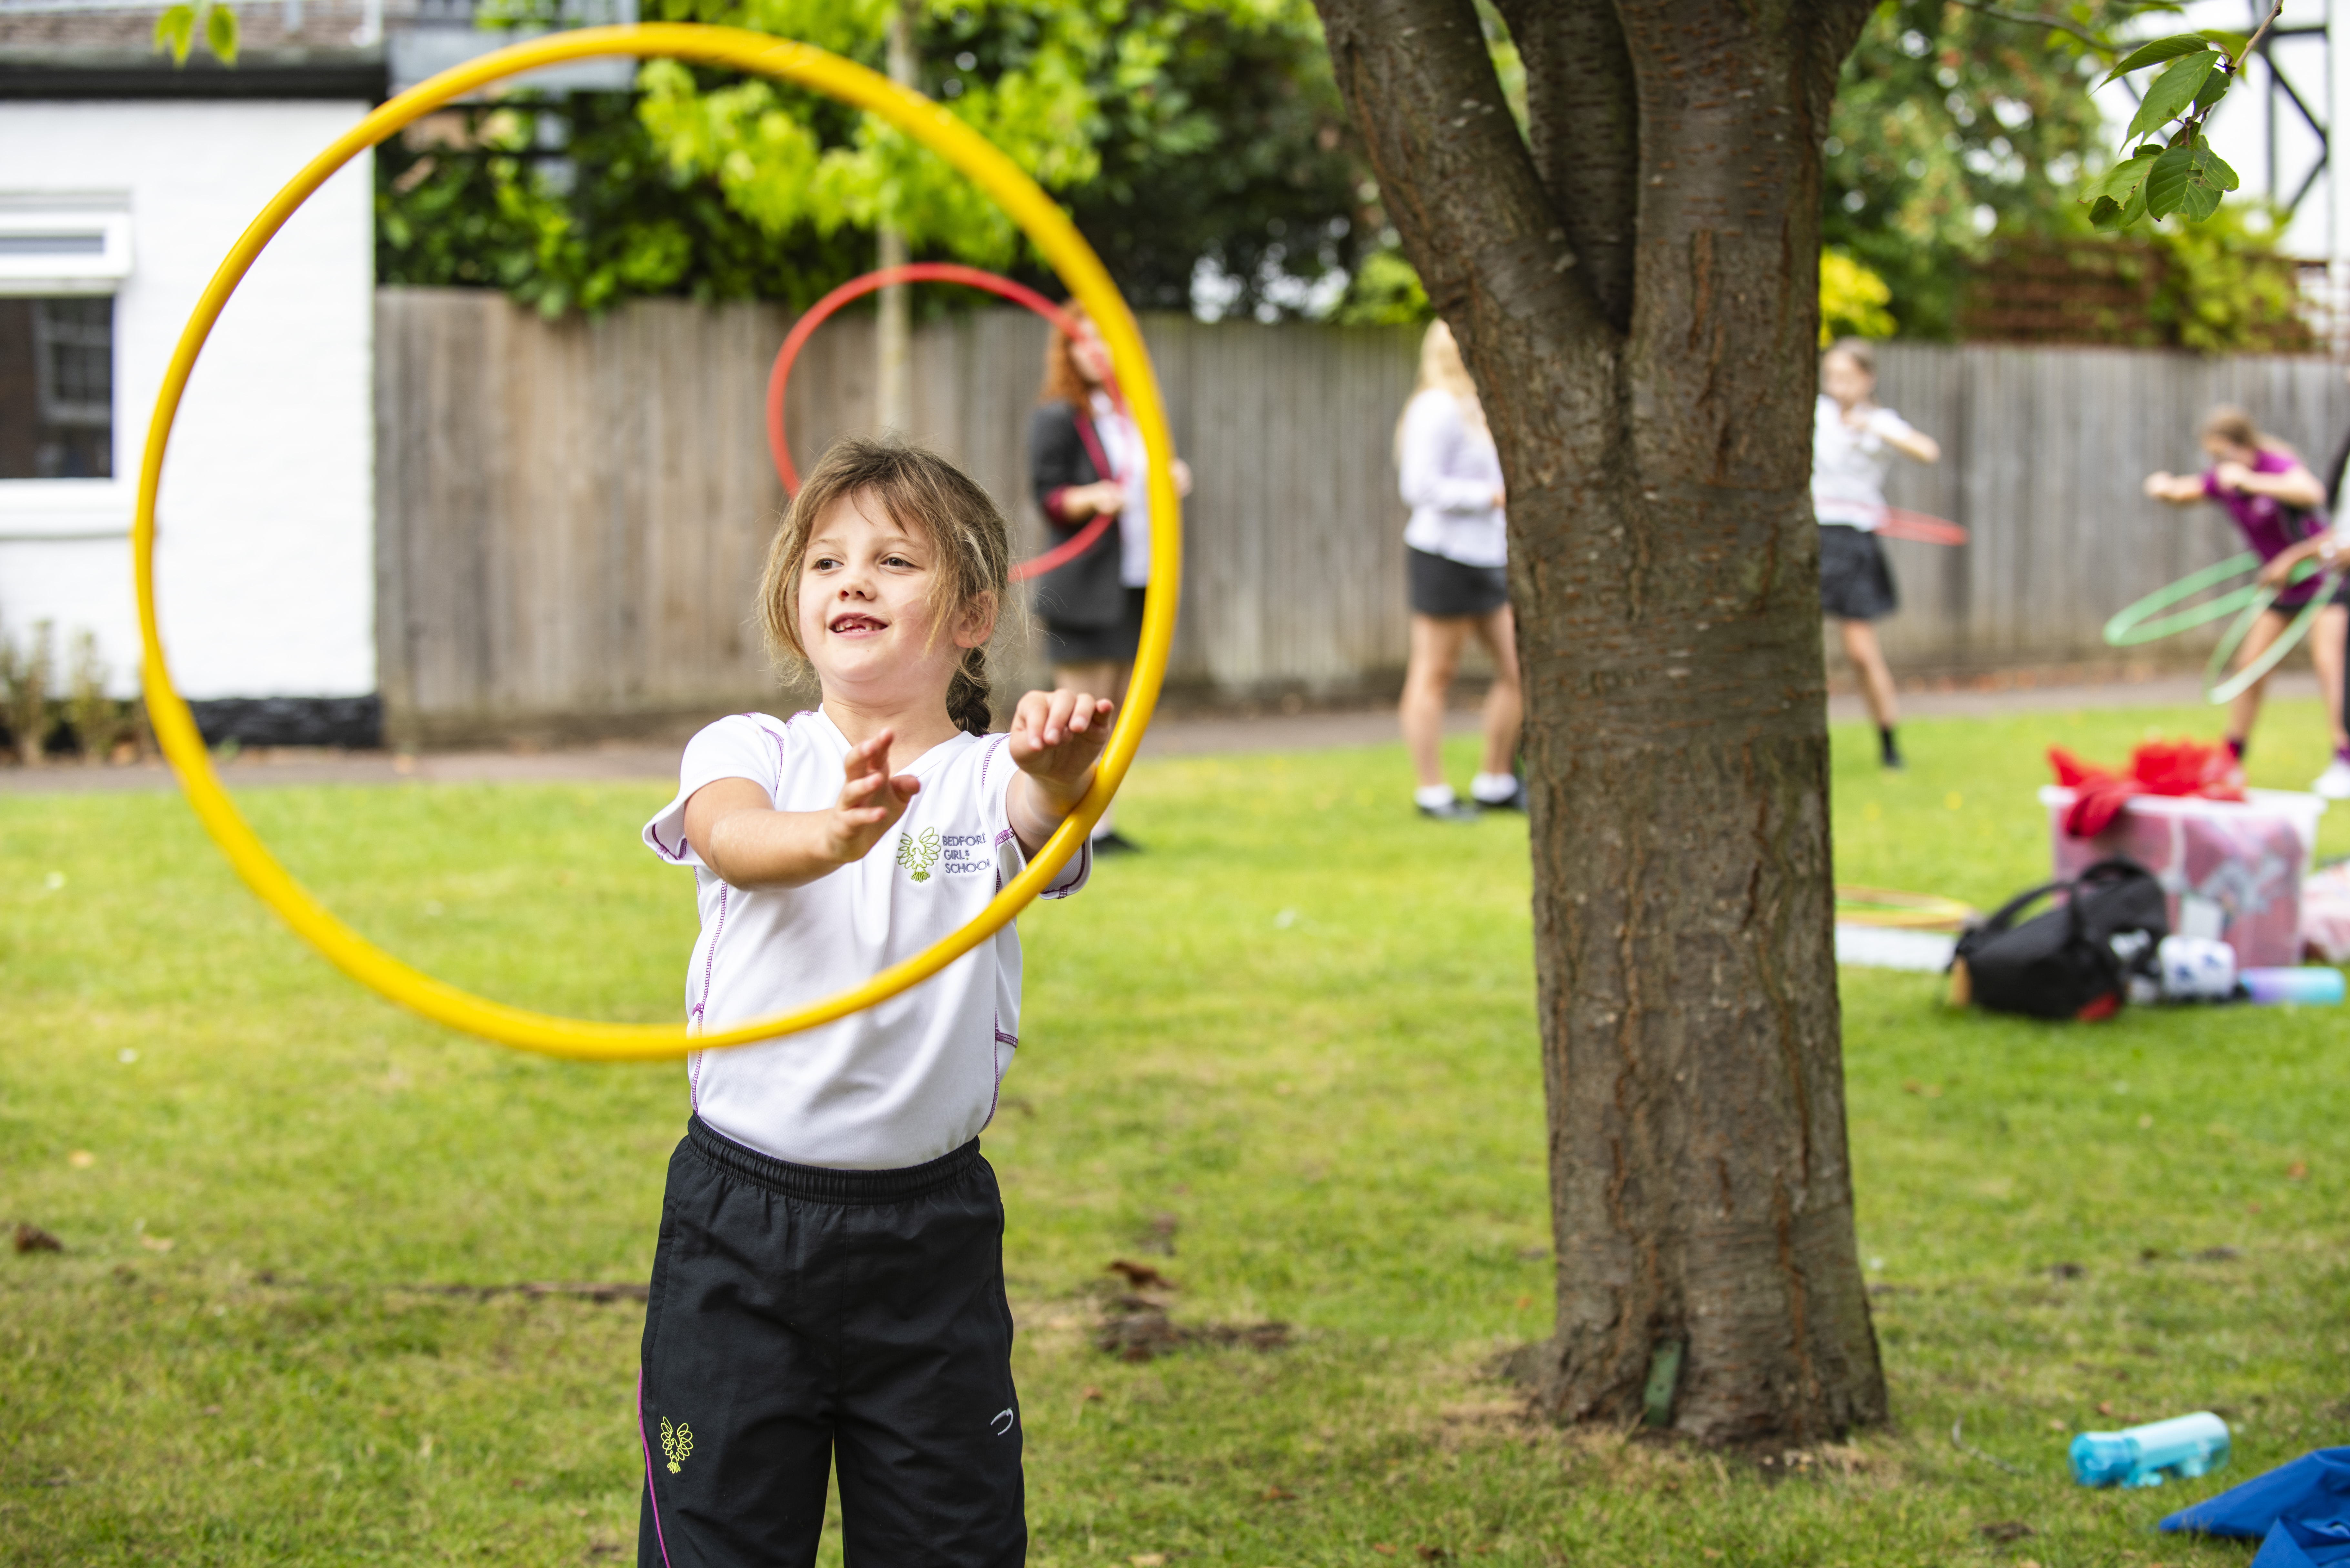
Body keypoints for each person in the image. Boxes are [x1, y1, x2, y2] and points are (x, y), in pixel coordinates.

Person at [634, 437, 1114, 1567]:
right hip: (738, 1228)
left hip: (927, 1238)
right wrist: (832, 835)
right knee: (719, 1540)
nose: (852, 580)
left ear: (971, 616)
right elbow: (733, 839)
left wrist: (1060, 770)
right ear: (793, 604)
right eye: (825, 562)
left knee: (947, 1539)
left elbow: (1046, 822)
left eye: (895, 561)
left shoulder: (983, 777)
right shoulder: (750, 749)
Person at [1026, 306, 1190, 853]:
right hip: (1082, 584)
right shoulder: (1059, 417)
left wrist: (1172, 479)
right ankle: (1057, 823)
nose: (1096, 350)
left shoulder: (1134, 414)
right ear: (1067, 352)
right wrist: (1089, 497)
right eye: (1083, 341)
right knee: (1076, 712)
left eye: (1106, 339)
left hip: (1136, 579)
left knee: (1117, 709)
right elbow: (1046, 495)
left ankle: (1102, 825)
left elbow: (1149, 481)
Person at [2143, 405, 2347, 784]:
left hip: (2323, 579)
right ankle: (2231, 759)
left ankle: (2344, 756)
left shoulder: (2274, 466)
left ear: (2245, 446)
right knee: (2249, 666)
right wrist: (2164, 488)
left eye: (2223, 454)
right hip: (2281, 586)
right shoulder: (2225, 482)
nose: (2218, 463)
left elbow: (2313, 491)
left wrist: (2253, 482)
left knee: (2329, 664)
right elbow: (2186, 492)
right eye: (2213, 456)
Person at [1394, 319, 1523, 820]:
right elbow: (1420, 488)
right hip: (1444, 555)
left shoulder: (1480, 405)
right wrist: (1488, 497)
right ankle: (1433, 793)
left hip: (1490, 555)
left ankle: (1496, 779)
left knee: (1519, 669)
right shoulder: (1436, 407)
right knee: (1435, 674)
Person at [1813, 337, 1941, 770]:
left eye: (1848, 377)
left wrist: (1875, 427)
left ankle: (1889, 744)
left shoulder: (1881, 423)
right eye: (1832, 376)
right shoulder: (1816, 416)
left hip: (1854, 539)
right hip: (1813, 533)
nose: (1838, 385)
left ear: (1868, 379)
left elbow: (1927, 451)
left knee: (1862, 655)